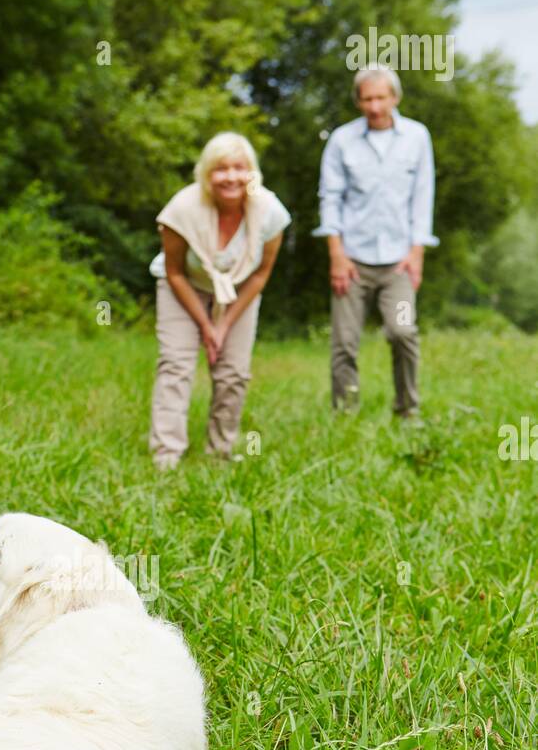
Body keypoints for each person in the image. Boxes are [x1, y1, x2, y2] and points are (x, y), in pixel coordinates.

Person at [148, 132, 291, 469]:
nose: (231, 177)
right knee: (176, 365)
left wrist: (224, 324)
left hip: (240, 292)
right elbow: (175, 272)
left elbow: (260, 274)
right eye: (220, 169)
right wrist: (205, 325)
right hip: (182, 287)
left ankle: (221, 452)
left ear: (252, 173)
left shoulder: (270, 211)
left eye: (240, 168)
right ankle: (166, 455)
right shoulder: (182, 208)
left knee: (234, 373)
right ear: (206, 174)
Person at [314, 64, 438, 423]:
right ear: (358, 102)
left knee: (403, 331)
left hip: (398, 262)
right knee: (344, 342)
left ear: (394, 98)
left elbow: (422, 196)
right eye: (367, 98)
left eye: (381, 97)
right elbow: (330, 198)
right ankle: (345, 414)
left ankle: (407, 411)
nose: (374, 106)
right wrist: (336, 254)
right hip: (352, 261)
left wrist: (417, 252)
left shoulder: (417, 137)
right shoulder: (342, 140)